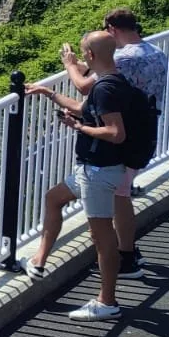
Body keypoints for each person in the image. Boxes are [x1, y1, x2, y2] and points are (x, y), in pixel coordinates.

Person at [26, 31, 135, 321]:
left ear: (89, 56)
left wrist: (80, 129)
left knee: (102, 238)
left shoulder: (105, 89)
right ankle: (38, 260)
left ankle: (107, 301)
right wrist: (48, 93)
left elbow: (115, 132)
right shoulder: (114, 80)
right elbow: (82, 108)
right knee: (54, 198)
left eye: (83, 53)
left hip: (99, 171)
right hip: (93, 168)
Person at [62, 7, 167, 276]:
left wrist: (71, 66)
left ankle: (126, 257)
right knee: (122, 192)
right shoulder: (156, 52)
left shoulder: (124, 59)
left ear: (112, 29)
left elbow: (86, 87)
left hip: (123, 134)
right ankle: (128, 249)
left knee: (119, 196)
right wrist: (90, 62)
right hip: (147, 129)